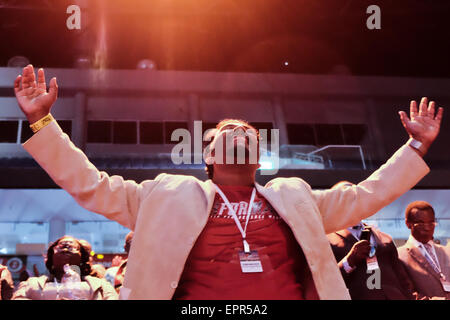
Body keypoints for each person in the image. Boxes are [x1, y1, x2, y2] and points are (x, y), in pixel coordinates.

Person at [13, 65, 443, 299]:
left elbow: (367, 194)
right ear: (208, 155)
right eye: (225, 131)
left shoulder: (294, 197)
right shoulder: (165, 194)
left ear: (259, 157)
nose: (238, 131)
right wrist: (41, 120)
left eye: (248, 133)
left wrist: (415, 148)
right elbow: (90, 184)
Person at [327, 218, 416, 300]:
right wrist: (349, 260)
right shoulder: (328, 239)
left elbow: (402, 278)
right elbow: (325, 280)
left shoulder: (384, 237)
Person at [12, 236, 118, 300]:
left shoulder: (101, 285)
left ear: (83, 259)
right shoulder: (31, 284)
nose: (66, 247)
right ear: (50, 258)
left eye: (71, 247)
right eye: (61, 246)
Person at [398, 201, 450, 299]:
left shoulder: (447, 251)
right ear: (408, 224)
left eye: (431, 223)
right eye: (421, 223)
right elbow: (407, 293)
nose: (427, 228)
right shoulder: (399, 256)